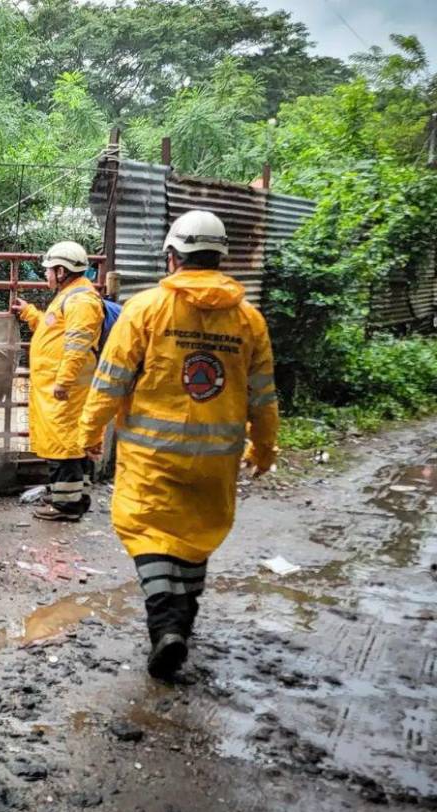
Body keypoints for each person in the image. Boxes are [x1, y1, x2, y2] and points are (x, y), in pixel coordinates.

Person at [79, 209, 279, 679]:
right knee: (195, 538)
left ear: (172, 257)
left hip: (152, 457)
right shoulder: (249, 321)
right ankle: (181, 626)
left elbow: (110, 380)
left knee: (146, 531)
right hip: (217, 462)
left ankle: (166, 624)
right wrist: (264, 449)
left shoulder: (145, 310)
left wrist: (88, 434)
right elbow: (264, 396)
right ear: (220, 258)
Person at [11, 241, 104, 521]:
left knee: (64, 444)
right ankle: (71, 496)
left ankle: (67, 505)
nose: (47, 275)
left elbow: (77, 345)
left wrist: (63, 382)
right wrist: (29, 313)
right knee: (62, 441)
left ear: (61, 271)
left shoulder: (80, 301)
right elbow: (53, 330)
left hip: (65, 390)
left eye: (49, 270)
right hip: (57, 388)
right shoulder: (70, 297)